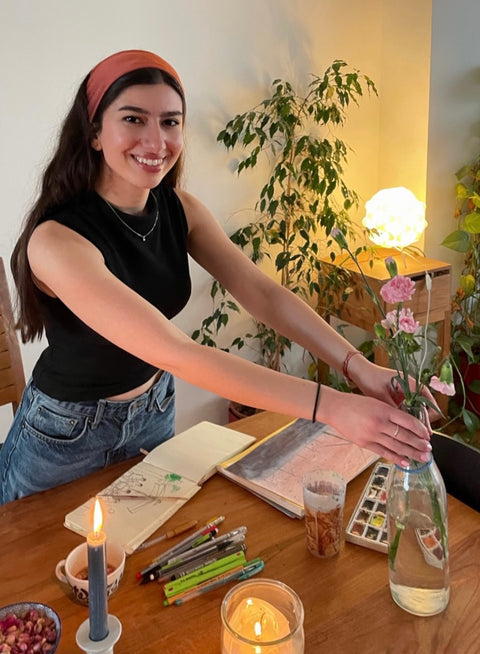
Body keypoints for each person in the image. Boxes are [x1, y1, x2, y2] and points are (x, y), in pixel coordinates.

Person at [0, 49, 432, 504]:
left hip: (154, 411)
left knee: (138, 557)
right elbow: (177, 352)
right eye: (133, 119)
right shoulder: (56, 241)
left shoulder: (180, 209)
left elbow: (264, 294)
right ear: (93, 133)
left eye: (170, 122)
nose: (156, 141)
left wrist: (359, 368)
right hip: (64, 435)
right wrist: (333, 407)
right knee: (46, 570)